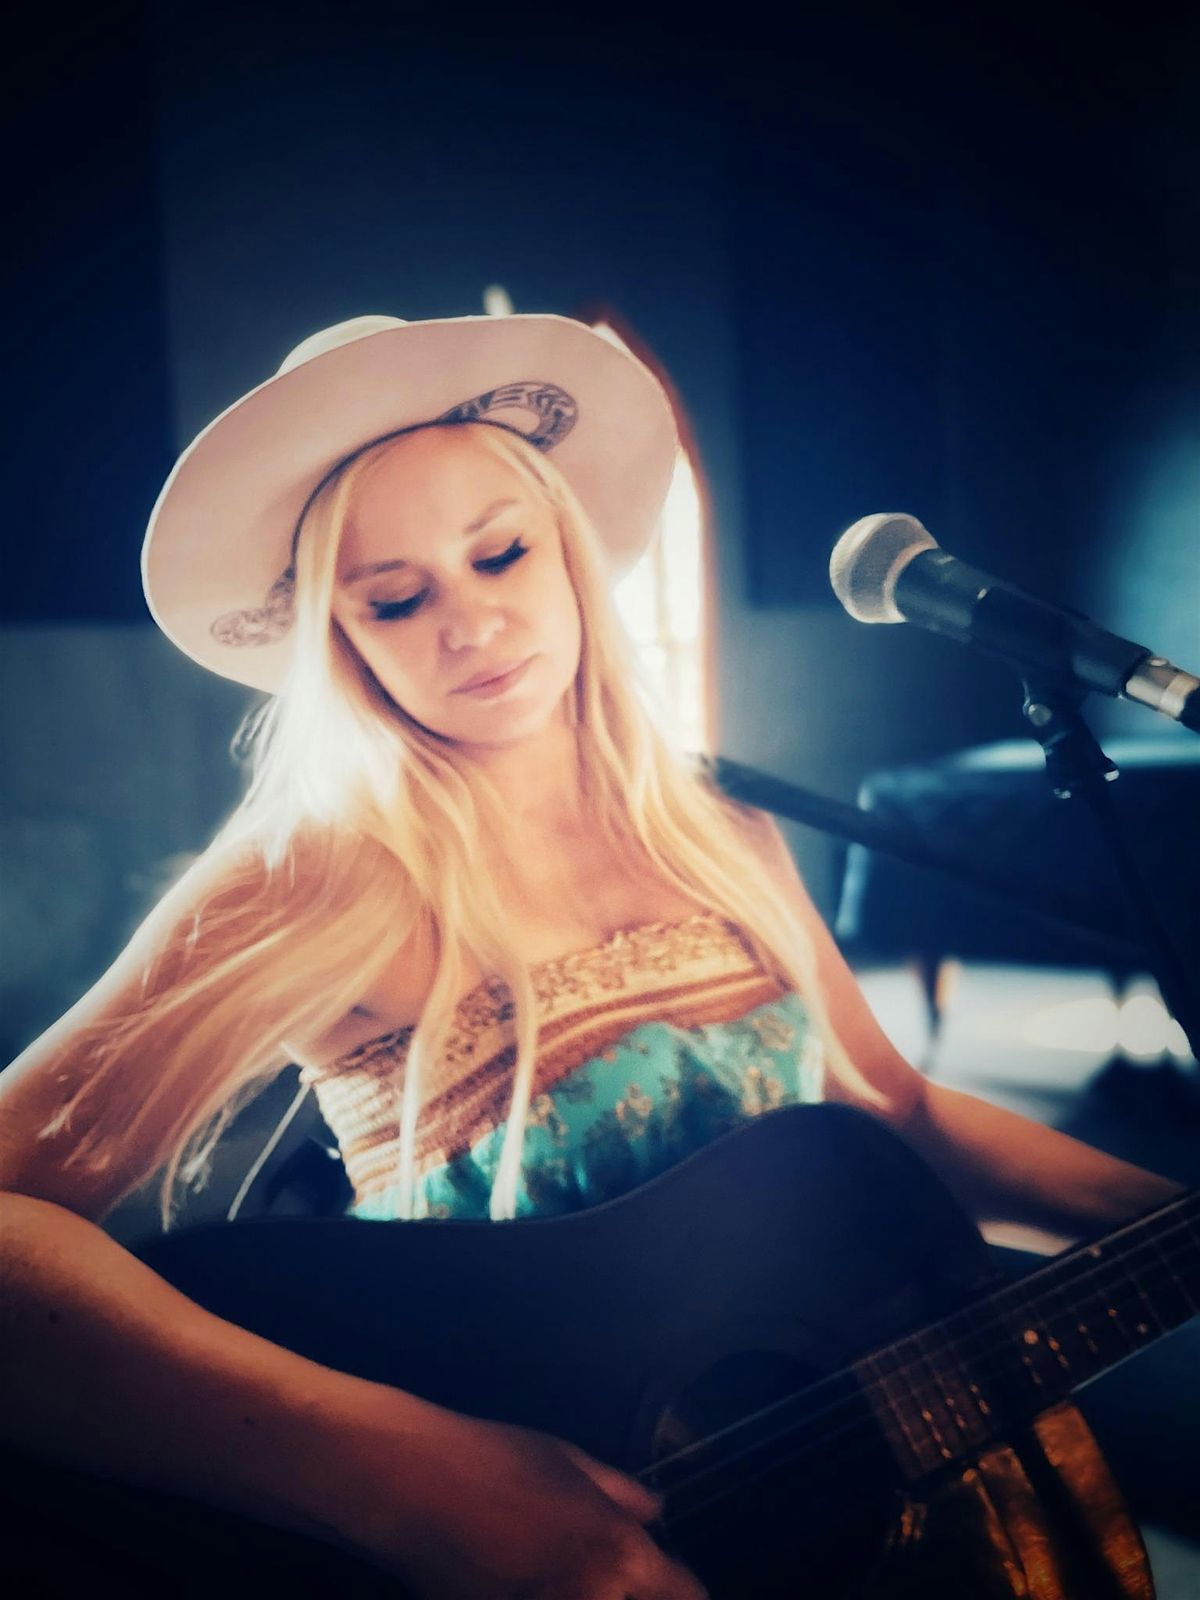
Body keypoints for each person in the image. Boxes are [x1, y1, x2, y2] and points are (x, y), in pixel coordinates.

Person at [0, 311, 1185, 1598]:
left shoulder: (717, 823)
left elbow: (892, 1110)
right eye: (396, 597)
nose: (470, 623)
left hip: (874, 1503)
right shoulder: (326, 872)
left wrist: (1169, 1227)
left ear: (568, 549)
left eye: (501, 552)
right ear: (341, 638)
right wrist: (403, 1477)